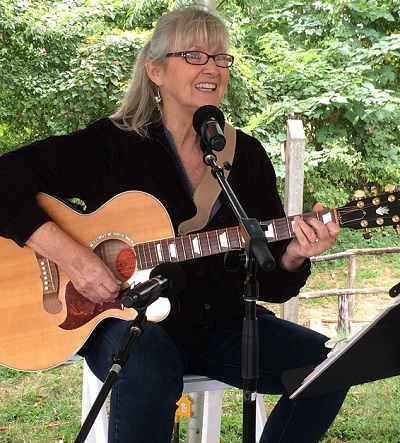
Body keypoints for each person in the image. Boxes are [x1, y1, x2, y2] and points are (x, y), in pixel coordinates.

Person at [0, 7, 348, 443]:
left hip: (220, 326)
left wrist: (294, 255)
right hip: (127, 323)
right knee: (149, 360)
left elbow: (273, 284)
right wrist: (75, 258)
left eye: (222, 58)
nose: (213, 68)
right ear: (156, 71)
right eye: (196, 56)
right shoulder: (111, 144)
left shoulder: (246, 158)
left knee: (329, 367)